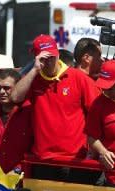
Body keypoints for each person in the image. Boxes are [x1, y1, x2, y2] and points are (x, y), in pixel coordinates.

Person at [10, 34, 98, 163]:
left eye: (52, 56)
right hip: (42, 158)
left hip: (75, 159)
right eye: (45, 58)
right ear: (36, 58)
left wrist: (96, 148)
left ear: (57, 54)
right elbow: (15, 97)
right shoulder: (33, 79)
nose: (49, 61)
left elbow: (97, 114)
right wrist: (34, 70)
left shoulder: (79, 78)